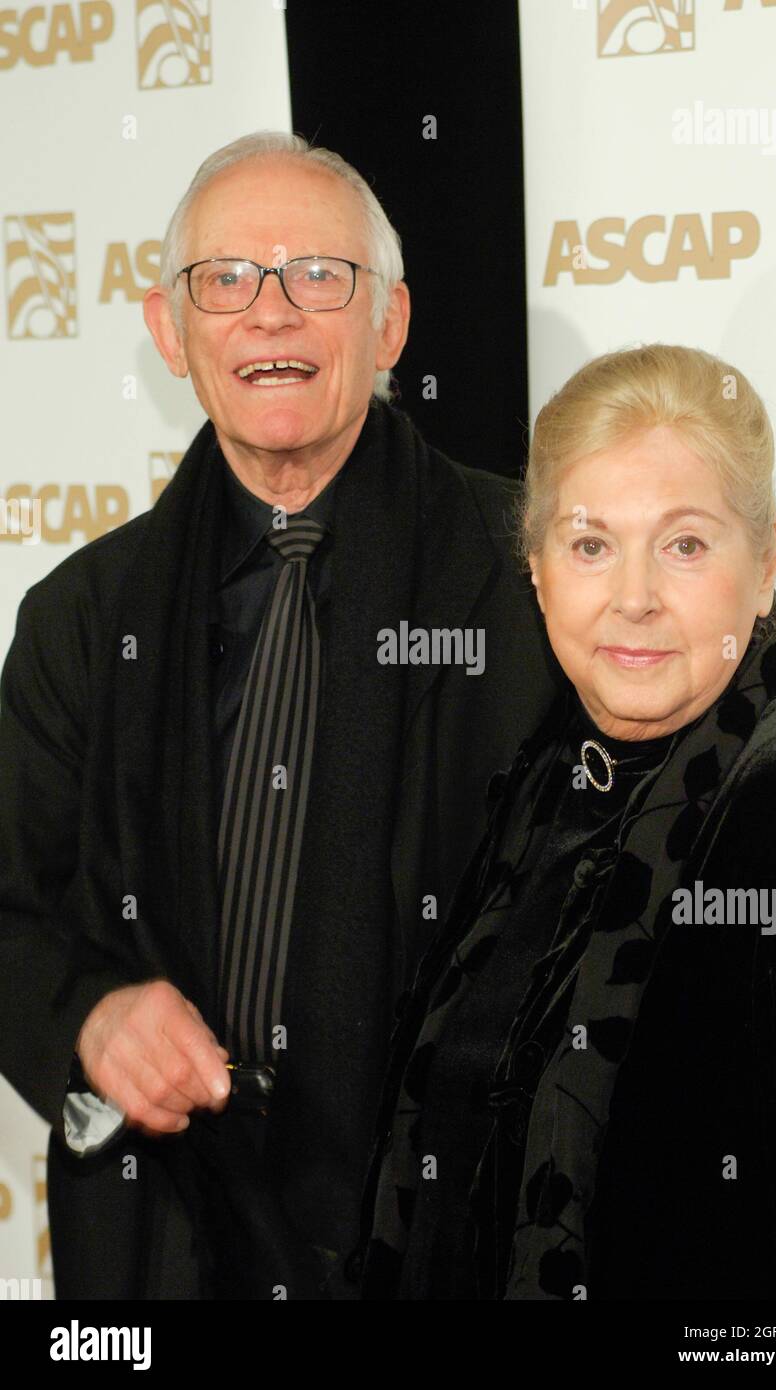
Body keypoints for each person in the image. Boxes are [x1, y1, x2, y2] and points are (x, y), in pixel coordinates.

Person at [0, 131, 563, 1300]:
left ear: (390, 325)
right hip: (163, 1246)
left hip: (446, 1240)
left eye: (318, 275)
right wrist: (88, 1016)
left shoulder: (533, 581)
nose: (270, 313)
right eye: (226, 280)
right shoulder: (77, 617)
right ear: (171, 332)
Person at [356, 343, 776, 1300]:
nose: (632, 597)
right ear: (538, 569)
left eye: (683, 544)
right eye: (591, 545)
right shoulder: (540, 786)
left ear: (762, 570)